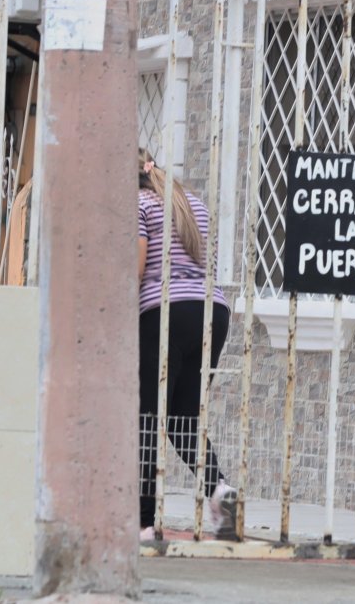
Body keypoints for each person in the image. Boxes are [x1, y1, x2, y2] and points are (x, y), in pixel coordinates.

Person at [136, 148, 236, 541]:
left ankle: (144, 522)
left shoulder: (139, 203)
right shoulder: (191, 202)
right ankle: (220, 491)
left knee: (145, 418)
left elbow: (138, 267)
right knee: (183, 419)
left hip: (164, 311)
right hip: (212, 311)